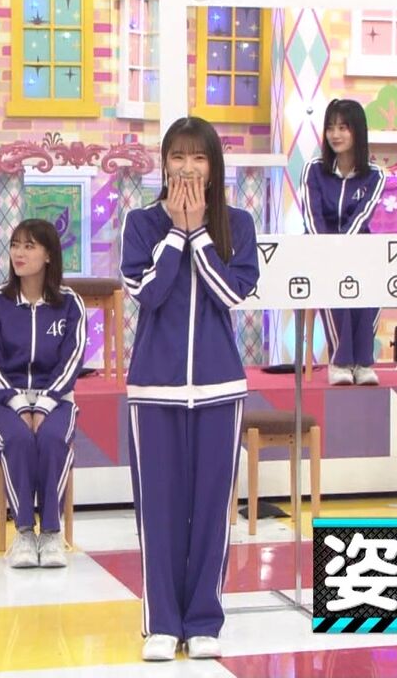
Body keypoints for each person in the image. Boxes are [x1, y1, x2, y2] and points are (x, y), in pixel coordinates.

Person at [119, 116, 260, 662]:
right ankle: (161, 621)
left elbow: (232, 294)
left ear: (214, 167)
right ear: (164, 164)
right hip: (154, 387)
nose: (187, 168)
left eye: (198, 157)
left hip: (220, 386)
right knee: (157, 509)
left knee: (211, 509)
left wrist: (199, 233)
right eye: (177, 156)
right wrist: (176, 233)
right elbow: (148, 294)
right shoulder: (141, 224)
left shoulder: (237, 224)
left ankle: (203, 619)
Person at [0, 218, 87, 567]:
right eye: (14, 245)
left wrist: (45, 404)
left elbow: (73, 360)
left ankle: (51, 534)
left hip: (56, 399)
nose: (18, 253)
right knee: (19, 440)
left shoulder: (70, 304)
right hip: (3, 399)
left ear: (49, 255)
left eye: (29, 246)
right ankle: (24, 533)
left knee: (53, 440)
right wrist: (18, 404)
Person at [301, 98, 386, 386]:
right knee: (331, 279)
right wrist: (328, 250)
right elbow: (311, 216)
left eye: (343, 128)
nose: (335, 135)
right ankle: (339, 361)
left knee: (373, 285)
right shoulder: (314, 169)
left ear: (357, 131)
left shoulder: (375, 175)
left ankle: (363, 362)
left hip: (359, 246)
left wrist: (344, 249)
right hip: (320, 248)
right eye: (330, 128)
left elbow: (362, 216)